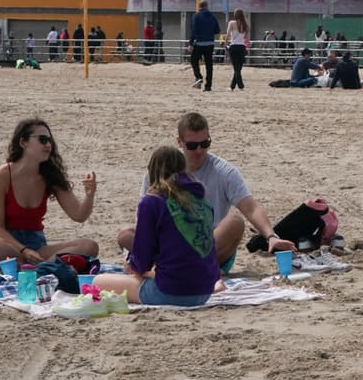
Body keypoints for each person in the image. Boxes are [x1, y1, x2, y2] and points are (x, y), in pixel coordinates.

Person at [115, 112, 293, 273]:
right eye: (192, 145)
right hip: (171, 244)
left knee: (235, 223)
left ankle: (174, 267)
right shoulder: (161, 169)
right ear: (180, 142)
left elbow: (250, 207)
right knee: (126, 234)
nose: (199, 151)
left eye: (205, 143)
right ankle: (175, 266)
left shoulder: (224, 171)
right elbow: (143, 217)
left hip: (207, 244)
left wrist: (271, 236)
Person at [94, 146, 222, 306]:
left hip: (170, 292)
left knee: (99, 282)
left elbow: (142, 260)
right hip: (204, 291)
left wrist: (133, 265)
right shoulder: (202, 201)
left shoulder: (152, 202)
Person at [0, 118, 99, 269]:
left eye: (49, 140)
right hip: (7, 244)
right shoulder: (0, 177)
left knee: (89, 246)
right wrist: (23, 250)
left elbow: (79, 215)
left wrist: (89, 195)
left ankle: (37, 269)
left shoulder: (50, 175)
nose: (48, 145)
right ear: (23, 142)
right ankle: (44, 269)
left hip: (38, 247)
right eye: (42, 140)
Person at [190, 0, 220, 90]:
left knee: (194, 60)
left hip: (199, 43)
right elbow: (217, 30)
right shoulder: (213, 16)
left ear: (199, 6)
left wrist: (191, 43)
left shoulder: (196, 16)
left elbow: (194, 30)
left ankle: (198, 77)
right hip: (210, 43)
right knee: (209, 65)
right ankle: (208, 86)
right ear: (207, 6)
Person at [226, 8, 250, 90]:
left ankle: (241, 86)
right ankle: (232, 86)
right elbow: (247, 38)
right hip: (242, 47)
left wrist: (225, 44)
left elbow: (228, 34)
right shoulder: (245, 24)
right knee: (238, 68)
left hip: (233, 46)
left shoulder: (232, 23)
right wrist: (247, 48)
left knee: (236, 68)